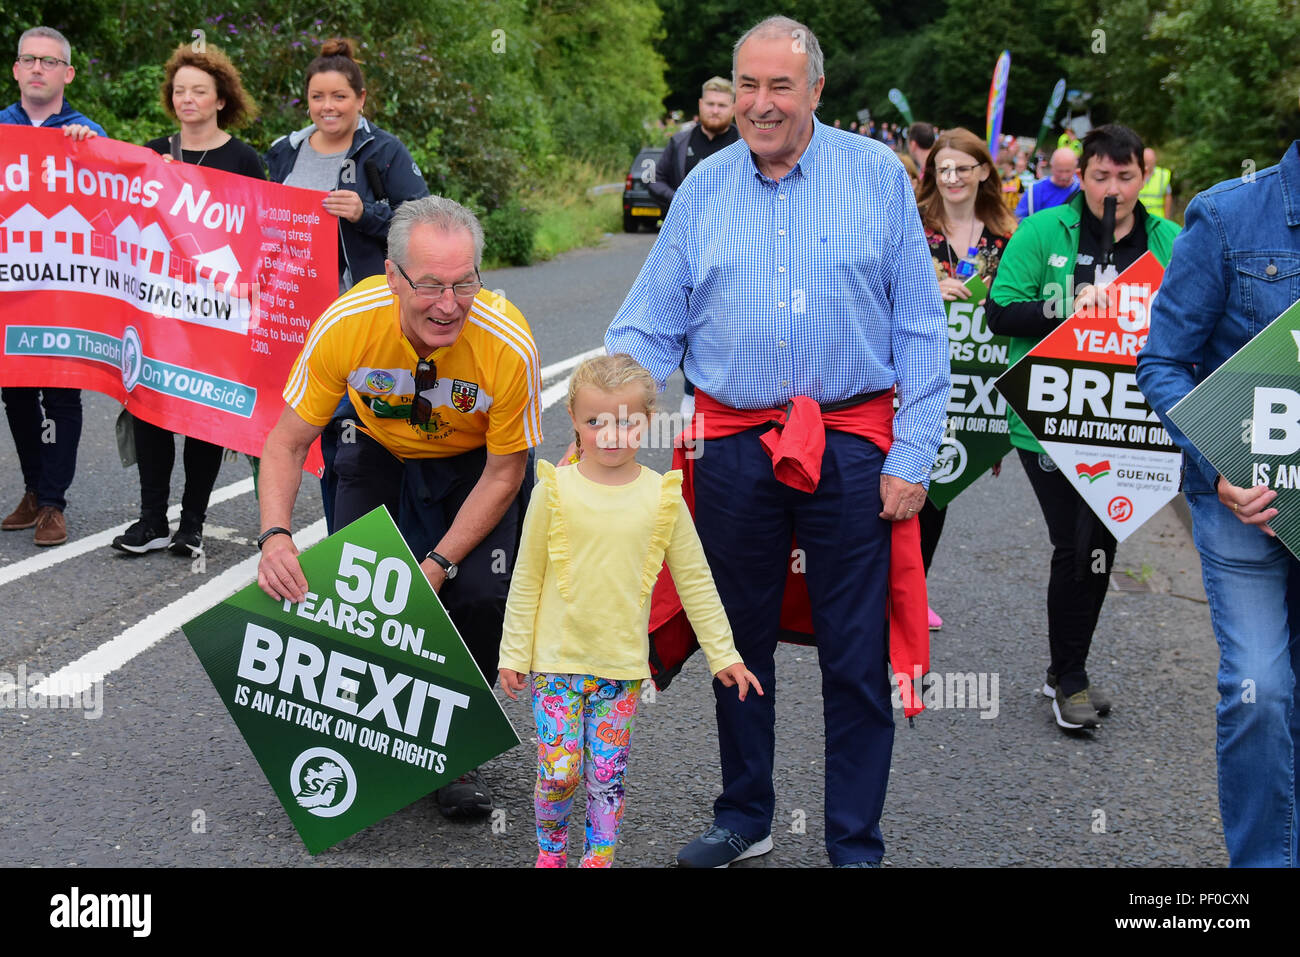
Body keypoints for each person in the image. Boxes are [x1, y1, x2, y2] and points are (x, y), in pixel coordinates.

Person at [606, 15, 948, 868]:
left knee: (854, 652)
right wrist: (611, 414)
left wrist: (913, 454)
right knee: (737, 639)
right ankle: (744, 813)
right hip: (732, 448)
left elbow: (920, 326)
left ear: (816, 91)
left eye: (780, 86)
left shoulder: (875, 176)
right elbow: (652, 325)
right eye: (747, 85)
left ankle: (853, 840)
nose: (760, 104)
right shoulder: (705, 189)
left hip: (854, 443)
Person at [255, 195, 541, 818]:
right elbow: (285, 441)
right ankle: (376, 733)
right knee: (368, 595)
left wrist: (439, 562)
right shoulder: (347, 323)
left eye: (464, 284)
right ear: (391, 276)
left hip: (474, 465)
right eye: (431, 284)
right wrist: (276, 535)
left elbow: (504, 473)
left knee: (479, 596)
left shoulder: (507, 344)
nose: (448, 304)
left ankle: (452, 749)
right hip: (376, 445)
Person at [498, 354, 760, 868]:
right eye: (596, 421)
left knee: (606, 775)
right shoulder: (553, 490)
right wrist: (513, 652)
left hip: (621, 669)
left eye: (627, 421)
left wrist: (724, 655)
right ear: (573, 419)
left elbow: (696, 583)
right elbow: (526, 576)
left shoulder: (663, 498)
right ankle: (550, 856)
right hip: (555, 663)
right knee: (559, 772)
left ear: (647, 422)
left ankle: (600, 860)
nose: (611, 434)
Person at [1136, 138, 1300, 868]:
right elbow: (1163, 359)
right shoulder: (1229, 214)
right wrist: (1218, 462)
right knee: (1261, 688)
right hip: (1248, 505)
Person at [987, 124, 1179, 731]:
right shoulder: (1043, 231)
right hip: (1047, 419)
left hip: (1126, 421)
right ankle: (1069, 678)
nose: (1111, 188)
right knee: (1074, 544)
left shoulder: (1170, 241)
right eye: (1100, 176)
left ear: (1142, 177)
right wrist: (1063, 306)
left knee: (1098, 544)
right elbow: (999, 311)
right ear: (1083, 177)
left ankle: (1064, 671)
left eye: (1125, 177)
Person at [265, 37, 430, 532]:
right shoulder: (283, 152)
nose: (328, 106)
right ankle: (297, 534)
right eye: (318, 97)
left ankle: (351, 539)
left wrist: (366, 213)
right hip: (294, 316)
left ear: (361, 99)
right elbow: (255, 221)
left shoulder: (382, 151)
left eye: (339, 96)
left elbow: (421, 220)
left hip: (361, 315)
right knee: (300, 430)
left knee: (349, 437)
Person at [111, 43, 265, 557]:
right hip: (159, 307)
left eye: (199, 91)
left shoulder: (244, 160)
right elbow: (114, 197)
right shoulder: (154, 151)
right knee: (151, 407)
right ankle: (151, 518)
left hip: (216, 311)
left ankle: (192, 523)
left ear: (222, 98)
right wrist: (83, 143)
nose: (187, 99)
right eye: (179, 91)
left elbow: (259, 233)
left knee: (202, 411)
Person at [1, 26, 104, 547]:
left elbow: (118, 200)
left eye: (49, 61)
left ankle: (54, 505)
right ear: (16, 70)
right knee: (16, 392)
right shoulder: (1, 129)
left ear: (67, 73)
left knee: (61, 392)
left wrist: (96, 152)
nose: (37, 68)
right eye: (28, 59)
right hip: (12, 289)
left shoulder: (87, 132)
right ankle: (34, 490)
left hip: (66, 290)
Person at [915, 127, 1017, 629]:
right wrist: (929, 292)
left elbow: (1018, 325)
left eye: (963, 167)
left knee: (940, 490)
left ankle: (912, 593)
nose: (952, 177)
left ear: (984, 172)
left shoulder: (1008, 237)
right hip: (910, 381)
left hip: (974, 390)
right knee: (898, 487)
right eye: (943, 168)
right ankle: (886, 595)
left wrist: (996, 425)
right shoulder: (910, 226)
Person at [647, 76, 739, 213]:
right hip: (686, 230)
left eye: (722, 105)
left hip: (733, 230)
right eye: (710, 104)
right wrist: (678, 199)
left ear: (733, 109)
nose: (715, 111)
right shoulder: (678, 142)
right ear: (700, 105)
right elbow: (654, 179)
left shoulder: (746, 145)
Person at [1014, 147, 1079, 220]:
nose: (1064, 176)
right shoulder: (1035, 191)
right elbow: (1019, 219)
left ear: (1075, 169)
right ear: (1052, 167)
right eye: (1060, 171)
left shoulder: (1081, 190)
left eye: (1068, 171)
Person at [1138, 147, 1173, 219]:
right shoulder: (1136, 174)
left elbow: (1167, 198)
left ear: (1154, 160)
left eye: (1150, 161)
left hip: (1157, 219)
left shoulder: (1163, 175)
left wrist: (1167, 219)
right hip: (1138, 218)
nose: (1147, 165)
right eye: (1146, 161)